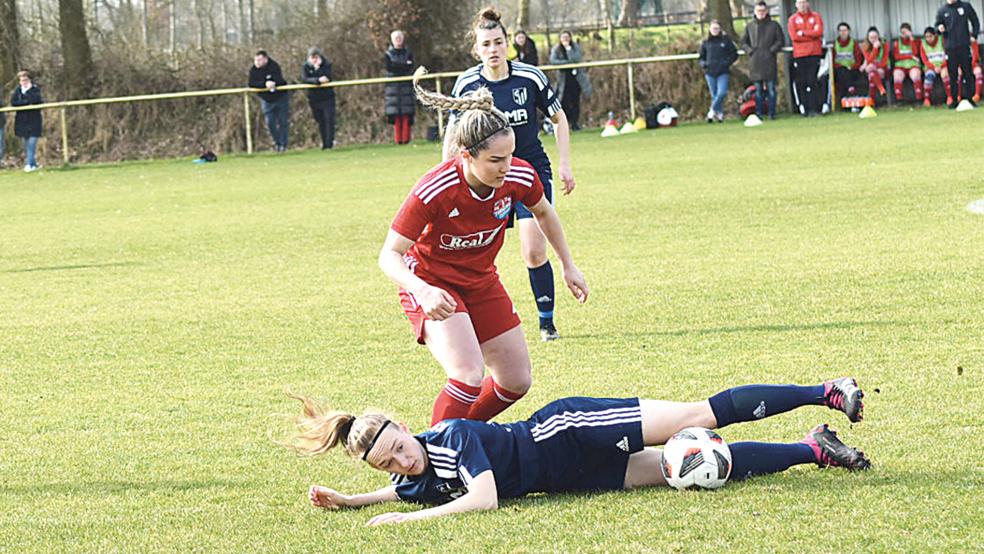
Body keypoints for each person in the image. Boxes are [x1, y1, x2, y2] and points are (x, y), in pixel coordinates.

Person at [288, 377, 869, 526]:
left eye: (396, 447)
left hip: (570, 430)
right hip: (572, 477)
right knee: (687, 469)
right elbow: (407, 489)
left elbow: (482, 499)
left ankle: (824, 393)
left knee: (697, 418)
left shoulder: (454, 436)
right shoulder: (410, 475)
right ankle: (811, 449)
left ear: (405, 426)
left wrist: (403, 523)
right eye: (387, 461)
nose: (400, 461)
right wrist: (352, 498)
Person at [379, 67, 588, 426]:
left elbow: (544, 213)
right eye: (495, 160)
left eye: (509, 155)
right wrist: (424, 291)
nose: (506, 167)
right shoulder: (435, 188)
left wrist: (568, 265)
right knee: (468, 374)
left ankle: (455, 437)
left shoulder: (519, 174)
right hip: (431, 282)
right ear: (466, 155)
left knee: (516, 380)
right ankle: (440, 459)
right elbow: (389, 255)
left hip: (480, 281)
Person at [448, 8, 578, 343]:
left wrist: (564, 164)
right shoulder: (467, 84)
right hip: (482, 179)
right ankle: (472, 320)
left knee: (533, 251)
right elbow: (453, 135)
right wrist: (450, 175)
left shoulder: (529, 77)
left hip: (528, 172)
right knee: (475, 251)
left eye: (498, 42)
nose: (493, 49)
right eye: (486, 44)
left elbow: (559, 119)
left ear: (508, 45)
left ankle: (546, 322)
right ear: (477, 50)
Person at [741, 1, 785, 120]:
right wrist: (750, 51)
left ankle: (772, 113)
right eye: (758, 11)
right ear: (755, 12)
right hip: (755, 62)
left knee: (771, 89)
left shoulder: (774, 25)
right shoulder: (749, 26)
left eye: (763, 11)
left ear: (767, 11)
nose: (761, 13)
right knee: (758, 90)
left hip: (770, 61)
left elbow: (780, 40)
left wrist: (771, 51)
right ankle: (759, 113)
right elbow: (743, 42)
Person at [936, 0, 981, 106]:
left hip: (964, 46)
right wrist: (939, 28)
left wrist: (974, 35)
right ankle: (954, 100)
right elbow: (936, 26)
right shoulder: (942, 10)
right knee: (953, 75)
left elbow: (975, 21)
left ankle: (970, 99)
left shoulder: (965, 6)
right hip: (950, 48)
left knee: (968, 74)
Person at [788, 0, 824, 116]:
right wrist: (811, 35)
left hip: (814, 53)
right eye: (800, 3)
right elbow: (794, 37)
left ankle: (815, 108)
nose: (803, 5)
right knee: (802, 82)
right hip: (800, 55)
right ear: (796, 5)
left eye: (804, 2)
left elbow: (819, 32)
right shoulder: (792, 19)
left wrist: (803, 33)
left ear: (808, 3)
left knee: (812, 81)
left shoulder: (816, 16)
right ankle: (804, 108)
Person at [248, 50, 289, 152]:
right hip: (266, 100)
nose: (257, 62)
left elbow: (281, 80)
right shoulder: (253, 70)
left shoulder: (274, 66)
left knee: (283, 121)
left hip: (280, 97)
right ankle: (277, 142)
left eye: (259, 60)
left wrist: (273, 83)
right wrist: (264, 84)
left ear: (265, 59)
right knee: (270, 122)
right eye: (256, 60)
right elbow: (251, 83)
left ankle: (283, 145)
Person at [550, 31, 591, 131]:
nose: (565, 39)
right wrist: (567, 62)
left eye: (567, 37)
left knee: (575, 102)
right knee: (564, 102)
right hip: (564, 80)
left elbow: (577, 58)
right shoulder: (556, 49)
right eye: (563, 37)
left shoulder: (575, 47)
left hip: (575, 79)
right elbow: (553, 61)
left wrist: (569, 49)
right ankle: (566, 122)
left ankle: (575, 123)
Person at [699, 19, 739, 123]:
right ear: (710, 29)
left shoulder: (726, 41)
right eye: (713, 28)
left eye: (717, 28)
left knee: (721, 93)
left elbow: (734, 54)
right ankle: (720, 114)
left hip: (723, 72)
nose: (715, 30)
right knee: (714, 95)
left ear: (720, 29)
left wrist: (726, 63)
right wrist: (704, 64)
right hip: (710, 72)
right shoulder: (705, 42)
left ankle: (711, 111)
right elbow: (701, 57)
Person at [301, 47, 336, 150]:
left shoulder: (326, 64)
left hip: (327, 97)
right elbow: (305, 79)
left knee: (329, 120)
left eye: (316, 57)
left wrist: (319, 69)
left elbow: (328, 77)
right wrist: (317, 79)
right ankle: (324, 142)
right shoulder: (305, 67)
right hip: (314, 98)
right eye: (312, 57)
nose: (314, 60)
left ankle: (329, 144)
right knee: (320, 120)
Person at [384, 30, 415, 145]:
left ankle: (406, 139)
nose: (398, 40)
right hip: (393, 88)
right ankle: (398, 140)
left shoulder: (408, 53)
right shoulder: (388, 54)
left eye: (400, 38)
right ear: (392, 40)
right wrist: (403, 66)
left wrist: (399, 66)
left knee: (407, 114)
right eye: (396, 38)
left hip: (406, 86)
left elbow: (410, 67)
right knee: (396, 115)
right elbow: (390, 67)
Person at [11, 70, 43, 172]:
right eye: (21, 80)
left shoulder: (35, 89)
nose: (23, 82)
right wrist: (25, 103)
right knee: (26, 144)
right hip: (22, 121)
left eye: (25, 80)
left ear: (29, 80)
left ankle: (29, 164)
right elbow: (14, 102)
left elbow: (37, 100)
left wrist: (27, 97)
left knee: (32, 142)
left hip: (34, 120)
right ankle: (33, 164)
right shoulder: (17, 91)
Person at [891, 23, 924, 104]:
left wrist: (911, 39)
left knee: (916, 75)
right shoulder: (897, 43)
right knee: (897, 76)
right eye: (902, 32)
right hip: (901, 65)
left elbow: (915, 53)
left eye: (905, 32)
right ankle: (899, 99)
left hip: (913, 65)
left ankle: (919, 99)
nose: (904, 34)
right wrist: (910, 56)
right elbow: (896, 56)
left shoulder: (915, 41)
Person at [832, 22, 864, 102]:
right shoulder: (834, 45)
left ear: (849, 31)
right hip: (839, 70)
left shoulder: (854, 43)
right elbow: (832, 61)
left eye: (845, 30)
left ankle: (846, 100)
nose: (843, 33)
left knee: (846, 75)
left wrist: (852, 67)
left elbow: (858, 59)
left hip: (852, 69)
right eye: (841, 30)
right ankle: (851, 90)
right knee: (842, 73)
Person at [921, 27, 951, 105]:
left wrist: (941, 66)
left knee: (945, 75)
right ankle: (927, 99)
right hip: (931, 67)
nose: (928, 39)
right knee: (929, 76)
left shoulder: (942, 40)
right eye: (926, 37)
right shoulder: (923, 44)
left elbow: (947, 54)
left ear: (935, 35)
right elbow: (925, 60)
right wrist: (933, 67)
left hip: (943, 65)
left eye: (930, 36)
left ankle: (950, 97)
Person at [860, 27, 889, 102]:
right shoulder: (864, 46)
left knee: (871, 75)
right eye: (871, 38)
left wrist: (878, 67)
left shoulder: (885, 45)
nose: (873, 40)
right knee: (871, 72)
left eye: (875, 37)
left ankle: (871, 102)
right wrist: (875, 49)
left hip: (883, 68)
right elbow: (869, 60)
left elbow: (885, 59)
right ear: (868, 38)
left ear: (879, 37)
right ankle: (881, 88)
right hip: (872, 69)